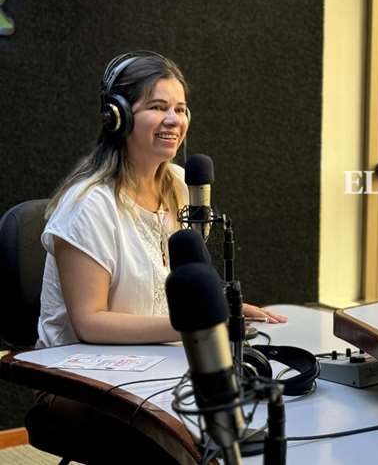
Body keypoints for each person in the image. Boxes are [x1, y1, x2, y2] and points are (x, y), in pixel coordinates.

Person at [37, 51, 285, 348]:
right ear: (118, 116)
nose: (173, 120)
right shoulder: (89, 205)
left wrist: (223, 310)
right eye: (158, 107)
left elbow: (174, 289)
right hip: (81, 378)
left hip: (160, 360)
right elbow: (90, 323)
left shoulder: (181, 185)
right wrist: (195, 325)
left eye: (180, 110)